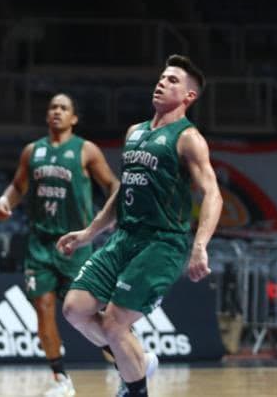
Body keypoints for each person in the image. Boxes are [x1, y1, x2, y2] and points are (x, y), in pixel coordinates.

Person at [59, 55, 223, 397]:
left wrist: (200, 245)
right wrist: (90, 232)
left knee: (116, 323)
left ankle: (135, 388)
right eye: (162, 77)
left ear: (189, 97)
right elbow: (124, 193)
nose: (162, 82)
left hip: (163, 243)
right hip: (125, 237)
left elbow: (213, 194)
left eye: (173, 80)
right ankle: (136, 360)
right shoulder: (134, 132)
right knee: (75, 309)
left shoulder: (188, 138)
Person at [0, 93, 120, 396]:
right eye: (52, 107)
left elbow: (112, 185)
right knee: (43, 307)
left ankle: (123, 360)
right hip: (40, 243)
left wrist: (106, 219)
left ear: (74, 118)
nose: (57, 112)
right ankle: (60, 379)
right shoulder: (32, 151)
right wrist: (5, 201)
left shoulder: (86, 150)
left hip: (75, 243)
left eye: (64, 108)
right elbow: (18, 186)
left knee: (87, 313)